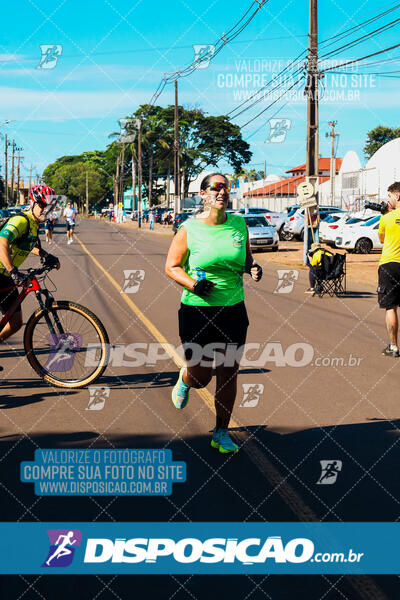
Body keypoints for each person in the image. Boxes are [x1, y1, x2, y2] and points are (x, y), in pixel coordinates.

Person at [165, 173, 262, 454]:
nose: (221, 192)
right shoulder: (188, 229)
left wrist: (252, 268)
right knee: (202, 376)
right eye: (215, 187)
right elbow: (172, 266)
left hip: (232, 310)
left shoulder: (239, 225)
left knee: (229, 372)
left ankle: (221, 432)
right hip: (197, 310)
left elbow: (245, 259)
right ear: (204, 194)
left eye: (225, 187)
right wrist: (194, 284)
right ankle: (186, 378)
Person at [0, 185, 61, 370]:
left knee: (16, 322)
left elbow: (26, 244)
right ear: (33, 202)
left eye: (48, 207)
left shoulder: (34, 225)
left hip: (4, 275)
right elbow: (2, 241)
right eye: (42, 205)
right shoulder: (21, 220)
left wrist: (44, 255)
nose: (45, 209)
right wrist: (12, 270)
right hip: (2, 272)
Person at [377, 182, 400, 357]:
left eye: (390, 196)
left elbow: (382, 239)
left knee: (391, 307)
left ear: (397, 196)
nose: (388, 200)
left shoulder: (386, 218)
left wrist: (387, 215)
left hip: (389, 265)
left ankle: (393, 347)